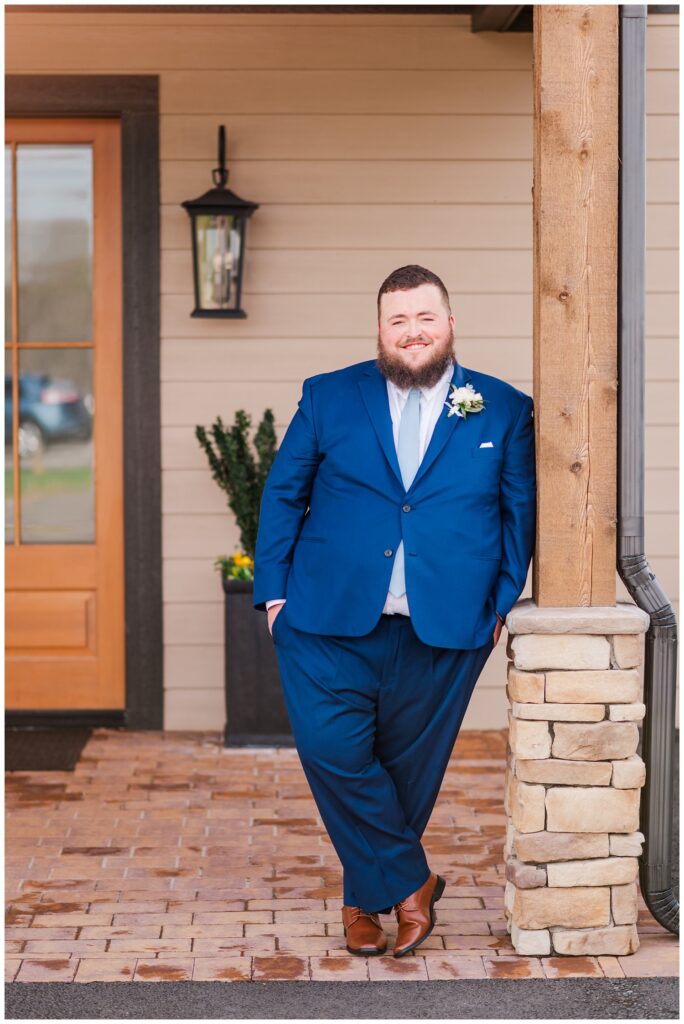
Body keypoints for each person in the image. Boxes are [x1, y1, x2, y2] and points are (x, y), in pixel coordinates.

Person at [253, 264, 536, 958]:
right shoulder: (329, 396)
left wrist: (497, 605)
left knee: (408, 771)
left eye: (424, 318)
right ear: (380, 330)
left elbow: (518, 518)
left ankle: (362, 901)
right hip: (323, 620)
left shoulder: (501, 408)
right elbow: (284, 495)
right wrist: (274, 596)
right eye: (397, 320)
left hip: (445, 627)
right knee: (333, 755)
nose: (412, 332)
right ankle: (412, 884)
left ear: (450, 323)